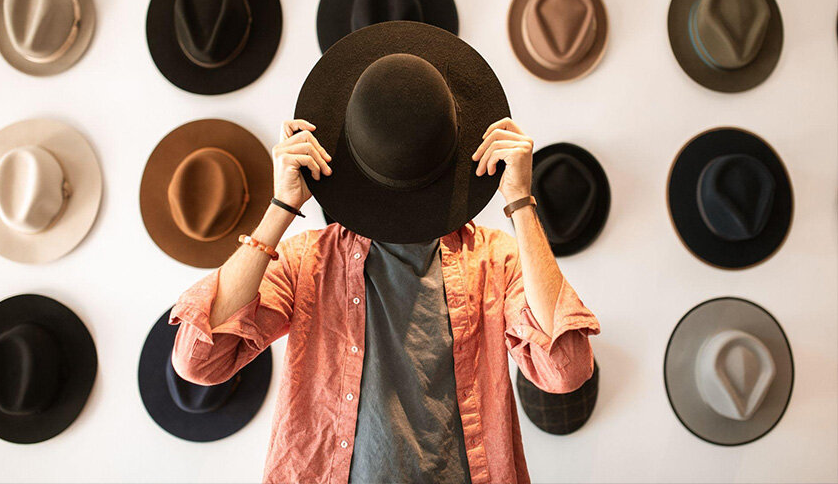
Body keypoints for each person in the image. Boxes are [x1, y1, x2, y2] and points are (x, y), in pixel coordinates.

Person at [169, 116, 600, 484]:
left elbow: (566, 369)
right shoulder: (308, 260)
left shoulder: (495, 256)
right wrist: (282, 205)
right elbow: (200, 359)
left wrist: (520, 202)